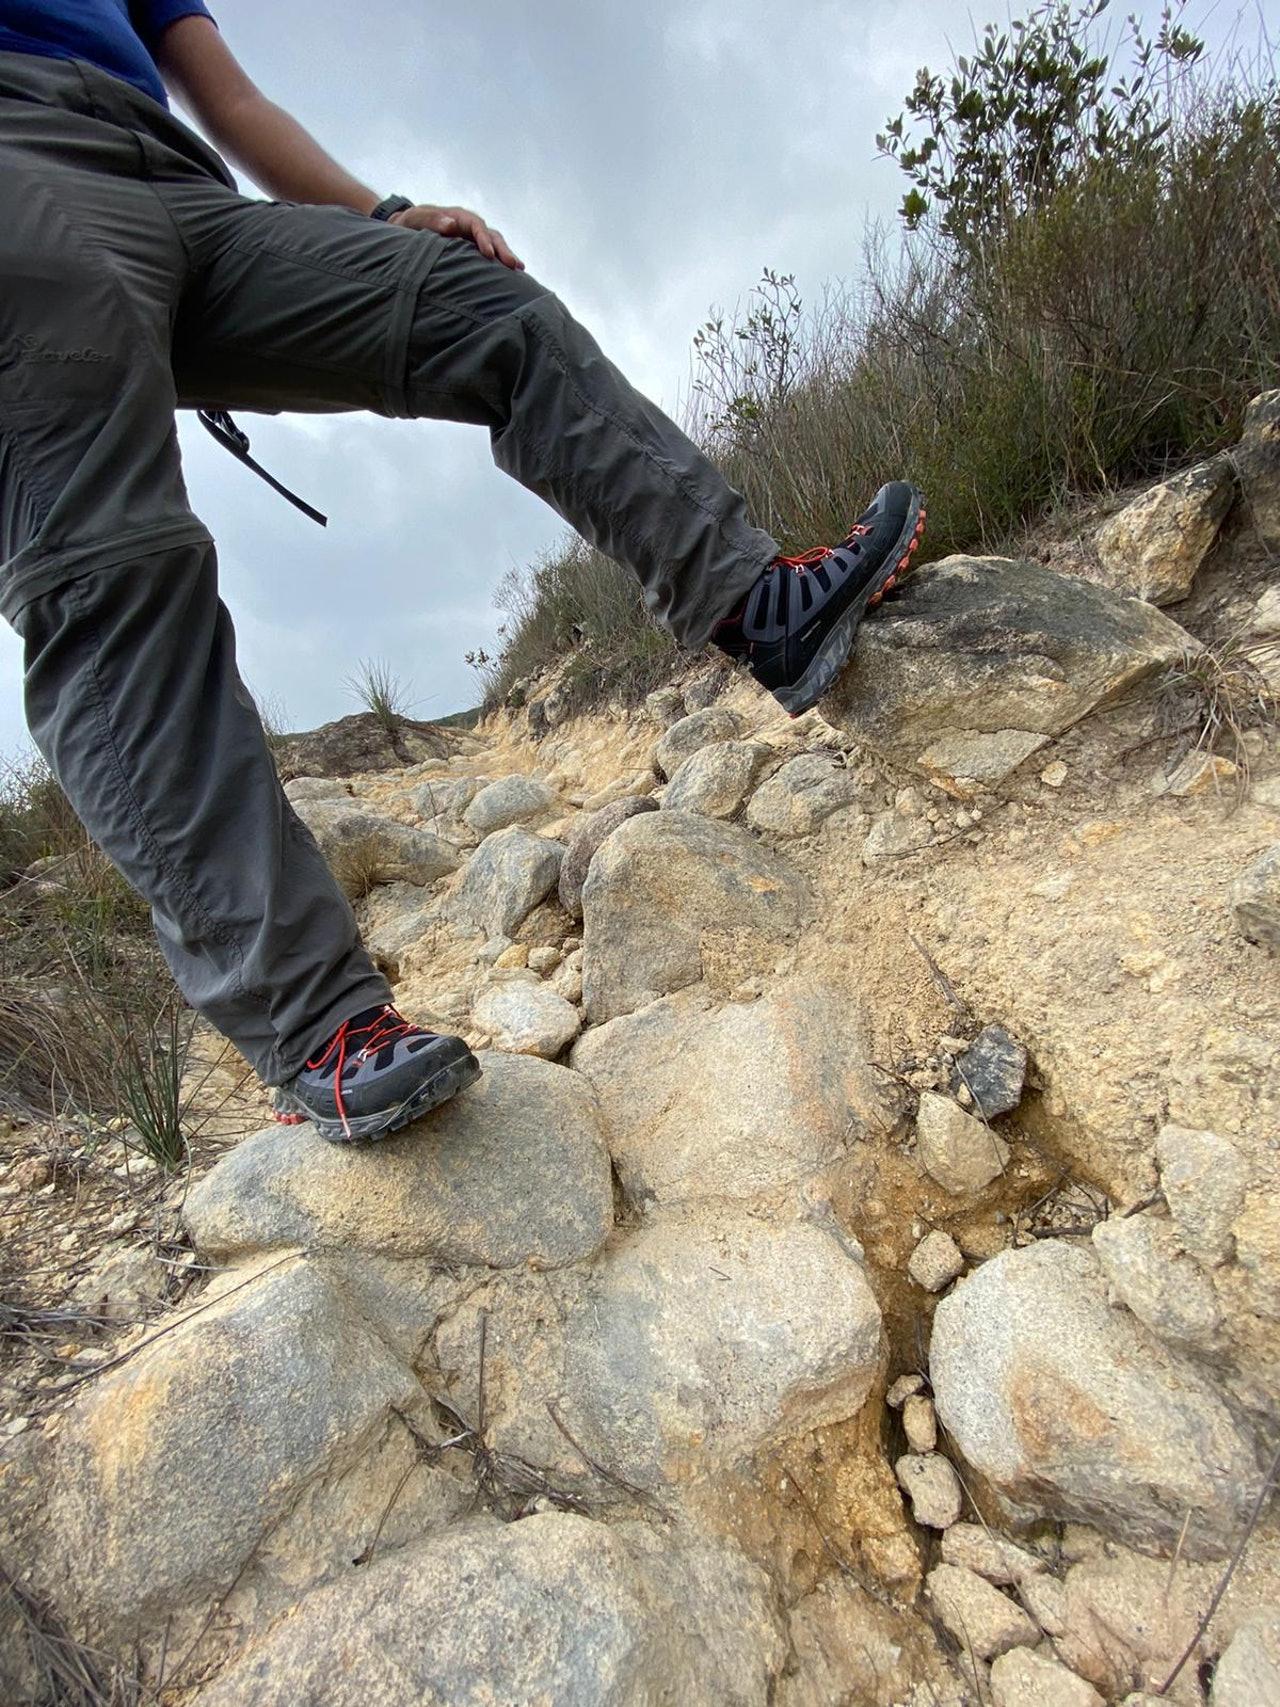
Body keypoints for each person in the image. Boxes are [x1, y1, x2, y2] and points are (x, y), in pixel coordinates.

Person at [0, 2, 926, 1142]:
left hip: (182, 184)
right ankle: (314, 1022)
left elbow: (227, 97)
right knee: (114, 566)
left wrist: (383, 213)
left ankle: (758, 604)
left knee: (484, 307)